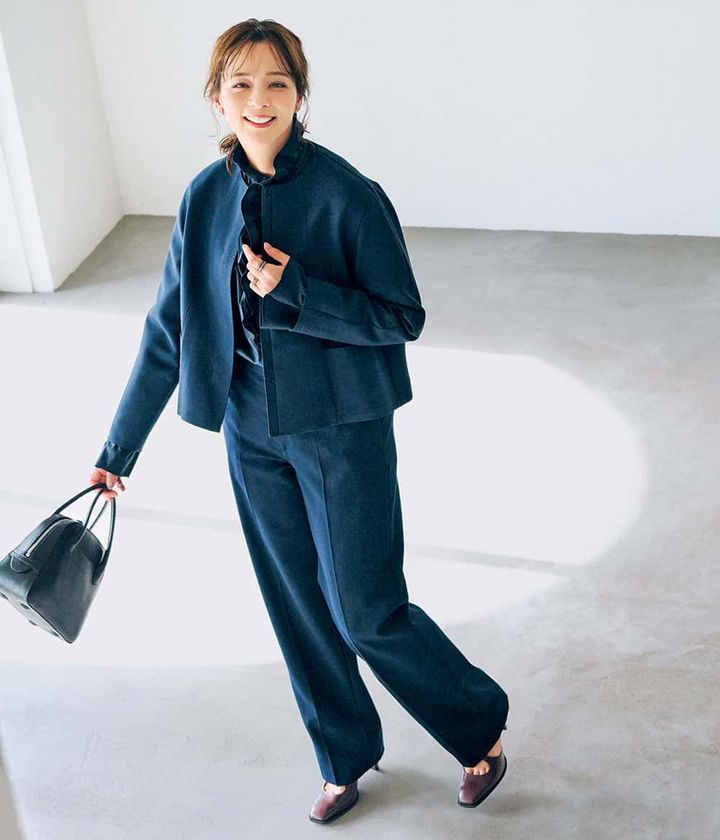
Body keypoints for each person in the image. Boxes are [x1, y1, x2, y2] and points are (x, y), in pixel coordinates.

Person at [88, 18, 509, 824]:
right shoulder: (203, 198)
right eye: (240, 84)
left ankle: (477, 726)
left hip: (341, 429)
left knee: (365, 609)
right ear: (217, 99)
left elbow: (402, 316)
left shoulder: (348, 193)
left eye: (276, 83)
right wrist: (120, 447)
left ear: (300, 95)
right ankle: (342, 756)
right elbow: (170, 327)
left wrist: (297, 294)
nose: (259, 99)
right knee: (296, 607)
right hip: (249, 429)